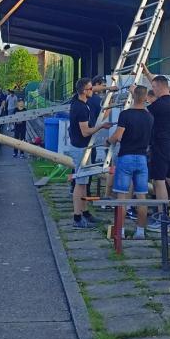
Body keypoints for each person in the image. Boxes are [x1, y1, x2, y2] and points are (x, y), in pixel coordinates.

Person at [107, 84, 153, 239]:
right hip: (142, 159)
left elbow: (118, 135)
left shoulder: (125, 115)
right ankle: (140, 232)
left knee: (122, 197)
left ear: (133, 96)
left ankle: (120, 232)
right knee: (141, 197)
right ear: (146, 98)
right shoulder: (149, 117)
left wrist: (108, 141)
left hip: (126, 157)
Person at [68, 77, 115, 229]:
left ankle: (85, 212)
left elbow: (93, 88)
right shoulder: (81, 108)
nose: (93, 91)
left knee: (84, 183)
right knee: (80, 183)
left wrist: (108, 89)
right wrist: (101, 126)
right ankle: (77, 217)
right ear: (84, 91)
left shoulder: (78, 99)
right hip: (81, 148)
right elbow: (85, 132)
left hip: (82, 147)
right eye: (90, 89)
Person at [142, 73, 170, 211]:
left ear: (159, 87)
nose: (153, 90)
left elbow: (142, 111)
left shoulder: (158, 105)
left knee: (159, 181)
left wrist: (136, 94)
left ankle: (162, 214)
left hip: (161, 145)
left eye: (153, 87)